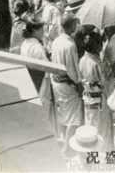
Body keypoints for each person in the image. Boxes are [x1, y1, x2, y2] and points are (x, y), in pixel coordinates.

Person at [50, 14, 84, 152]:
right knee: (74, 118)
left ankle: (64, 142)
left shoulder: (56, 41)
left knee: (63, 115)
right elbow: (72, 69)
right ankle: (67, 149)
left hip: (56, 82)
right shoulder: (70, 45)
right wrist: (79, 84)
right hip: (67, 83)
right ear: (71, 26)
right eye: (75, 24)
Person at [78, 25, 112, 150]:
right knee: (101, 130)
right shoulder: (98, 63)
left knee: (90, 126)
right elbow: (106, 84)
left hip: (87, 98)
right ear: (96, 46)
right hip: (100, 101)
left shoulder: (82, 60)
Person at [20, 18, 48, 91]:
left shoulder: (24, 43)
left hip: (29, 79)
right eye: (41, 30)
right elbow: (47, 68)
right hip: (40, 81)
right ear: (35, 31)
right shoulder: (37, 47)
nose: (43, 32)